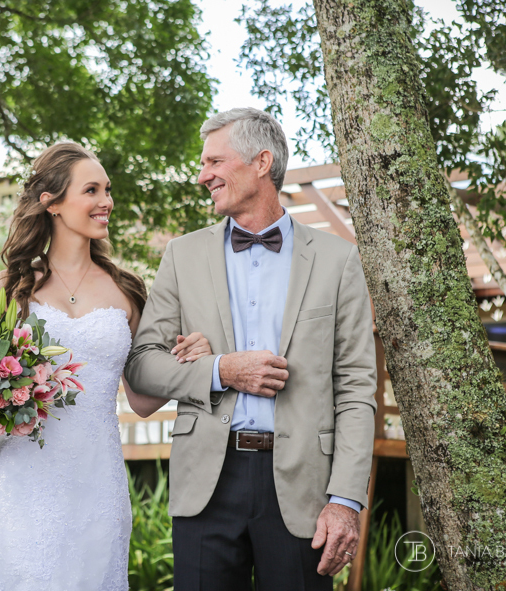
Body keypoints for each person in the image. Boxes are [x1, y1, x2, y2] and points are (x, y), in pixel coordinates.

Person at [124, 107, 377, 590]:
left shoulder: (338, 260)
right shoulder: (182, 255)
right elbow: (140, 367)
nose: (203, 176)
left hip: (304, 487)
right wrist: (221, 370)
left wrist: (345, 499)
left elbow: (356, 389)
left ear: (261, 162)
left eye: (214, 162)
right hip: (206, 484)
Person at [0, 141, 214, 590]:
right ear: (52, 204)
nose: (106, 202)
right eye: (92, 190)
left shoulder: (126, 290)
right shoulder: (9, 288)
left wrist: (188, 360)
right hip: (22, 481)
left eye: (107, 190)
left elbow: (143, 399)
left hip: (97, 481)